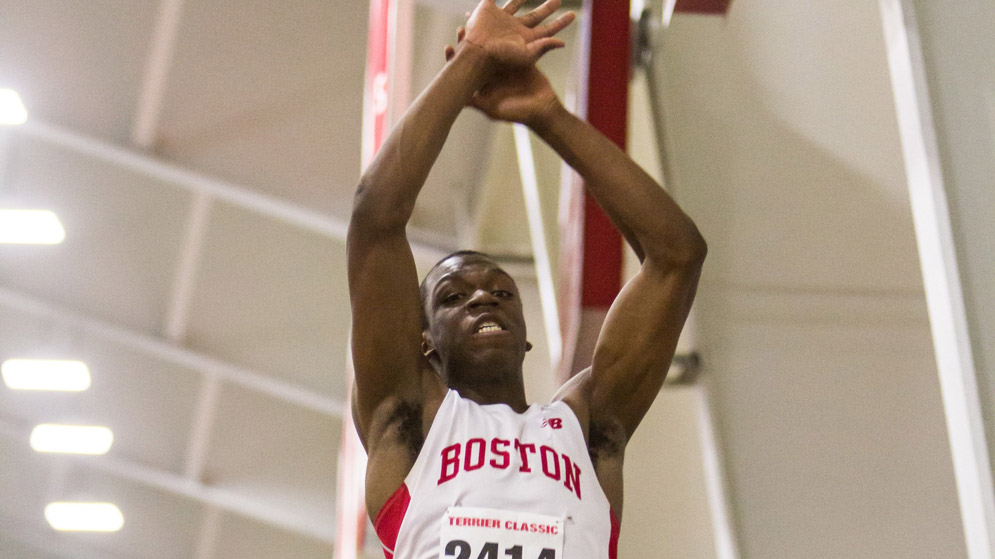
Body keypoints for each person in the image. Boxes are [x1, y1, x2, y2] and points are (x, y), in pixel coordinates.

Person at [347, 0, 706, 557]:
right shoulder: (408, 417)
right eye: (452, 296)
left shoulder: (587, 428)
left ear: (526, 331)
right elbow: (376, 215)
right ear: (420, 340)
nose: (483, 298)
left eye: (501, 292)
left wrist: (547, 115)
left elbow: (677, 255)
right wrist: (471, 59)